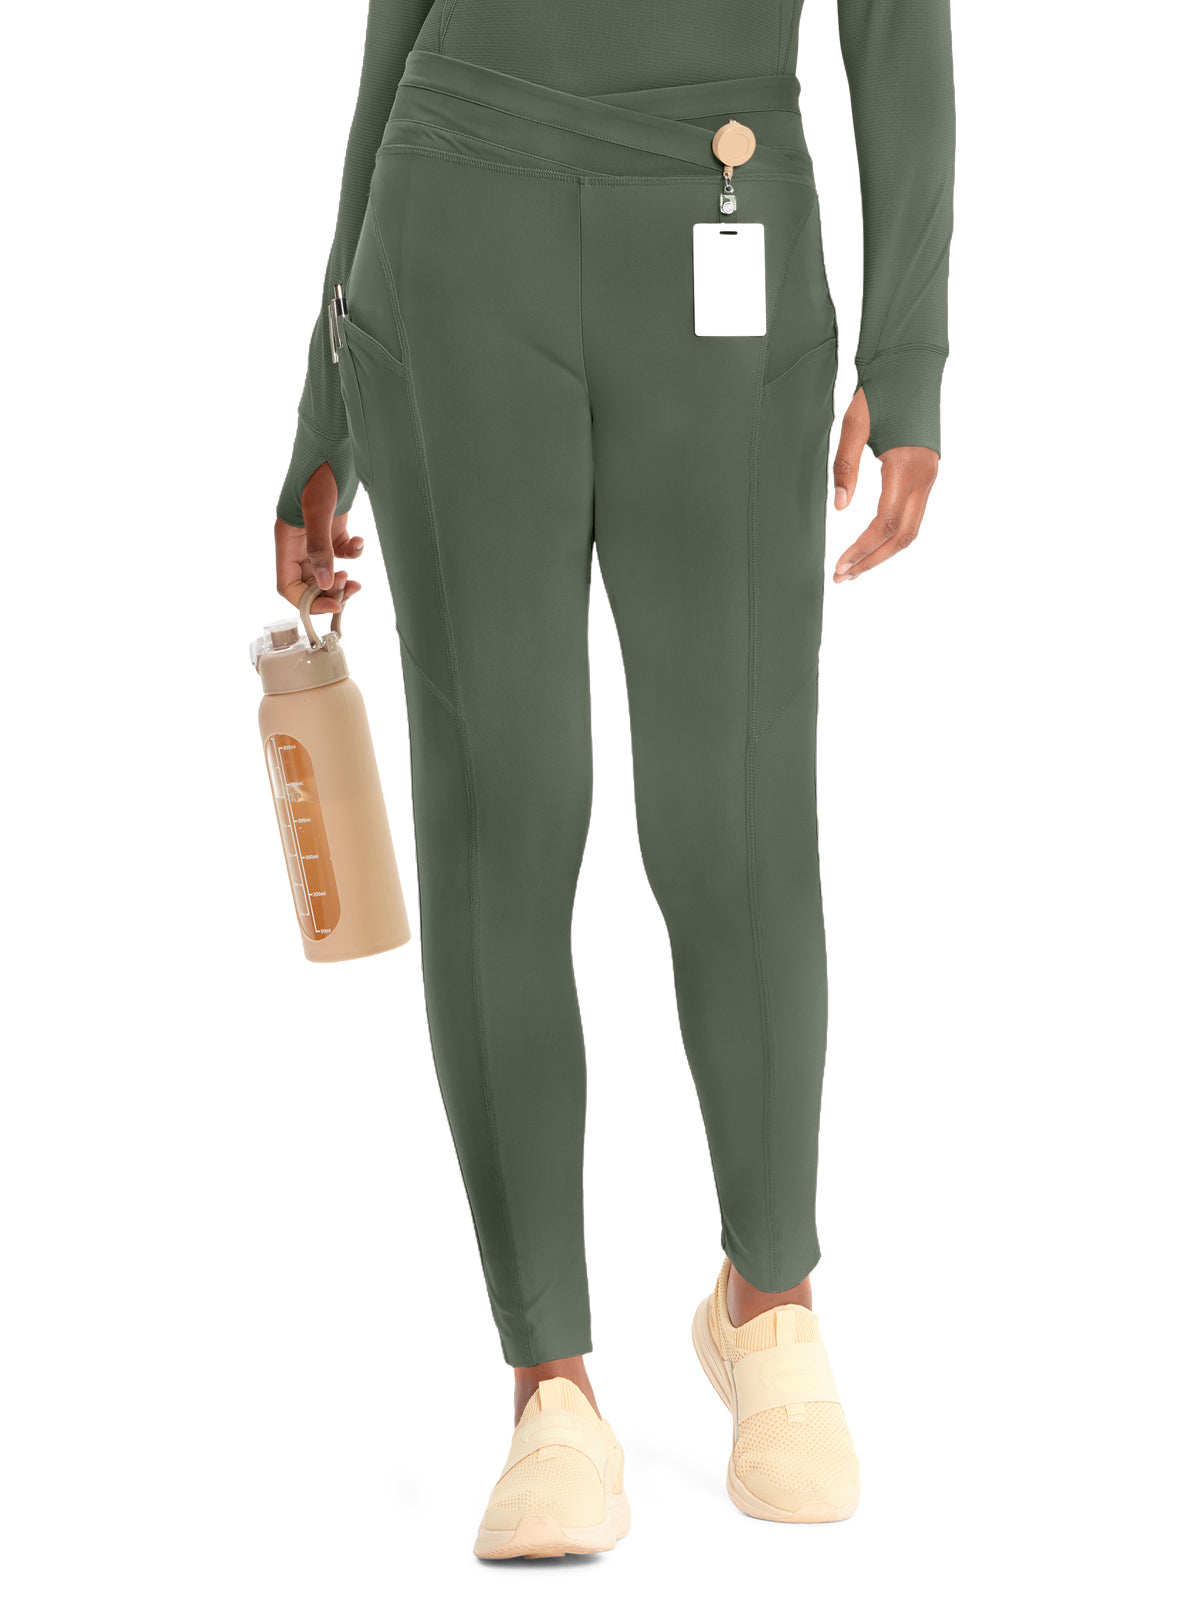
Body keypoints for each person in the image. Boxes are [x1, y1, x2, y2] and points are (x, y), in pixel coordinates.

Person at [271, 0, 953, 1559]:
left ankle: (769, 1302)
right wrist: (324, 409)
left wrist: (908, 350)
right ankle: (551, 1389)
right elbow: (397, 30)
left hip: (723, 216)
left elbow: (899, 19)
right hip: (453, 236)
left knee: (732, 813)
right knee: (506, 808)